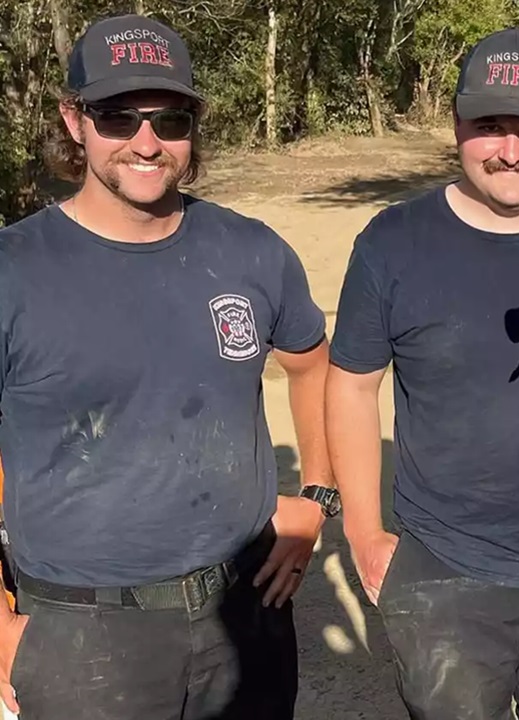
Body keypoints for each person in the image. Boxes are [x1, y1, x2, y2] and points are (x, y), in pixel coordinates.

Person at [0, 13, 336, 720]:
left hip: (246, 610)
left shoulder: (253, 252)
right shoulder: (14, 269)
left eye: (170, 119)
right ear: (74, 120)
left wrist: (316, 501)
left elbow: (313, 369)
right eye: (117, 117)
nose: (146, 142)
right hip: (81, 631)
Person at [325, 26, 519, 720]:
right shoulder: (392, 242)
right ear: (457, 123)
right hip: (446, 567)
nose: (511, 150)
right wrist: (366, 535)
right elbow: (350, 383)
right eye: (490, 126)